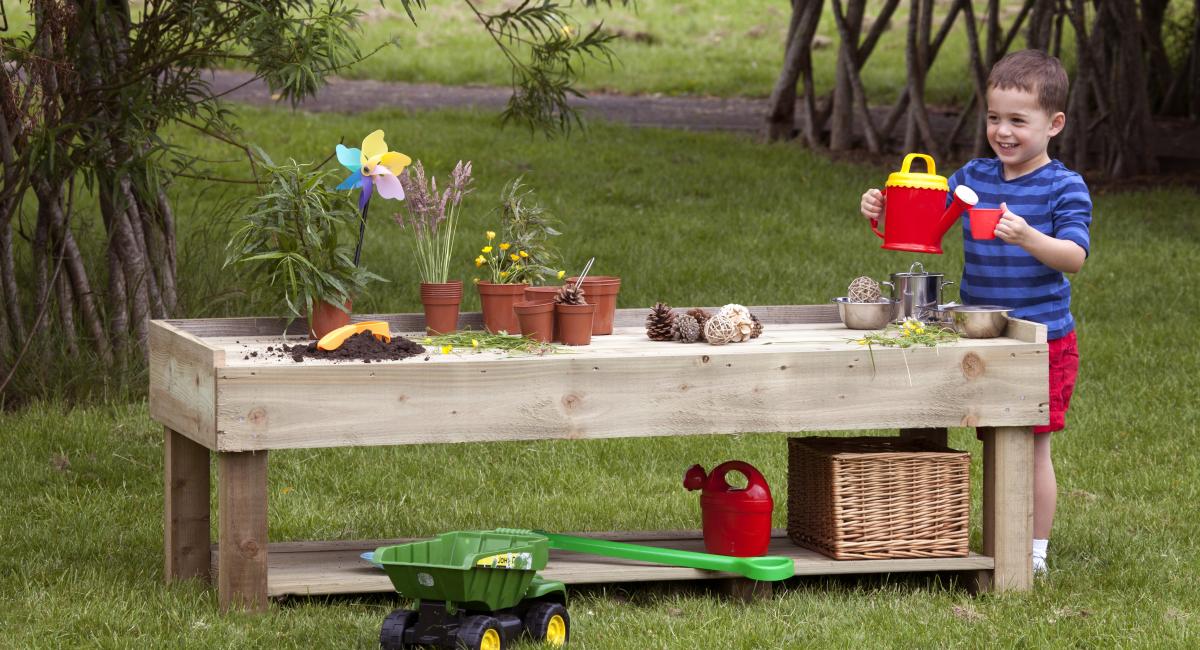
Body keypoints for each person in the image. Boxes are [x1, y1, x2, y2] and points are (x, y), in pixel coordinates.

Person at [859, 49, 1092, 576]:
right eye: (993, 118)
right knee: (991, 438)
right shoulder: (973, 177)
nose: (1002, 132)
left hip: (1041, 340)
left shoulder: (1063, 186)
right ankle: (967, 531)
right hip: (981, 334)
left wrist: (1030, 236)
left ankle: (1033, 552)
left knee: (1031, 447)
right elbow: (922, 227)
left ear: (1054, 124)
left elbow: (1074, 257)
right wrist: (881, 209)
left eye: (1018, 120)